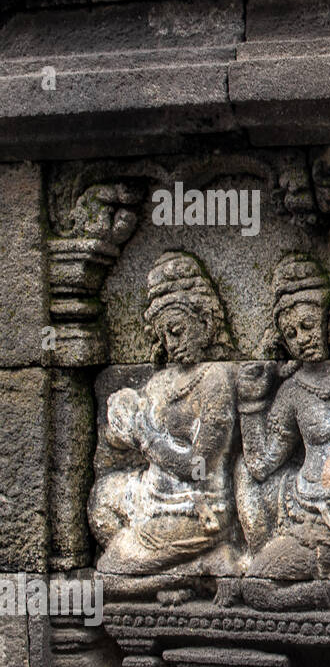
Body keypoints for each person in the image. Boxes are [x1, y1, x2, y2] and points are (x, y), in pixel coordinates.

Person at [235, 252, 330, 610]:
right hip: (309, 517)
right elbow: (260, 464)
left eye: (307, 324)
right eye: (291, 333)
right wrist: (251, 403)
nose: (301, 338)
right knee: (256, 588)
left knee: (258, 588)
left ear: (329, 321)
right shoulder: (292, 392)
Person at [90, 251, 240, 597]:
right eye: (164, 336)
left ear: (205, 322)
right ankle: (171, 570)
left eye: (177, 331)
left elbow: (198, 466)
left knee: (107, 578)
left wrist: (146, 438)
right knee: (100, 502)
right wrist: (120, 422)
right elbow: (130, 433)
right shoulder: (161, 382)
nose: (171, 344)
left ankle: (201, 567)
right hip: (151, 497)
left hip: (196, 508)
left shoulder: (214, 379)